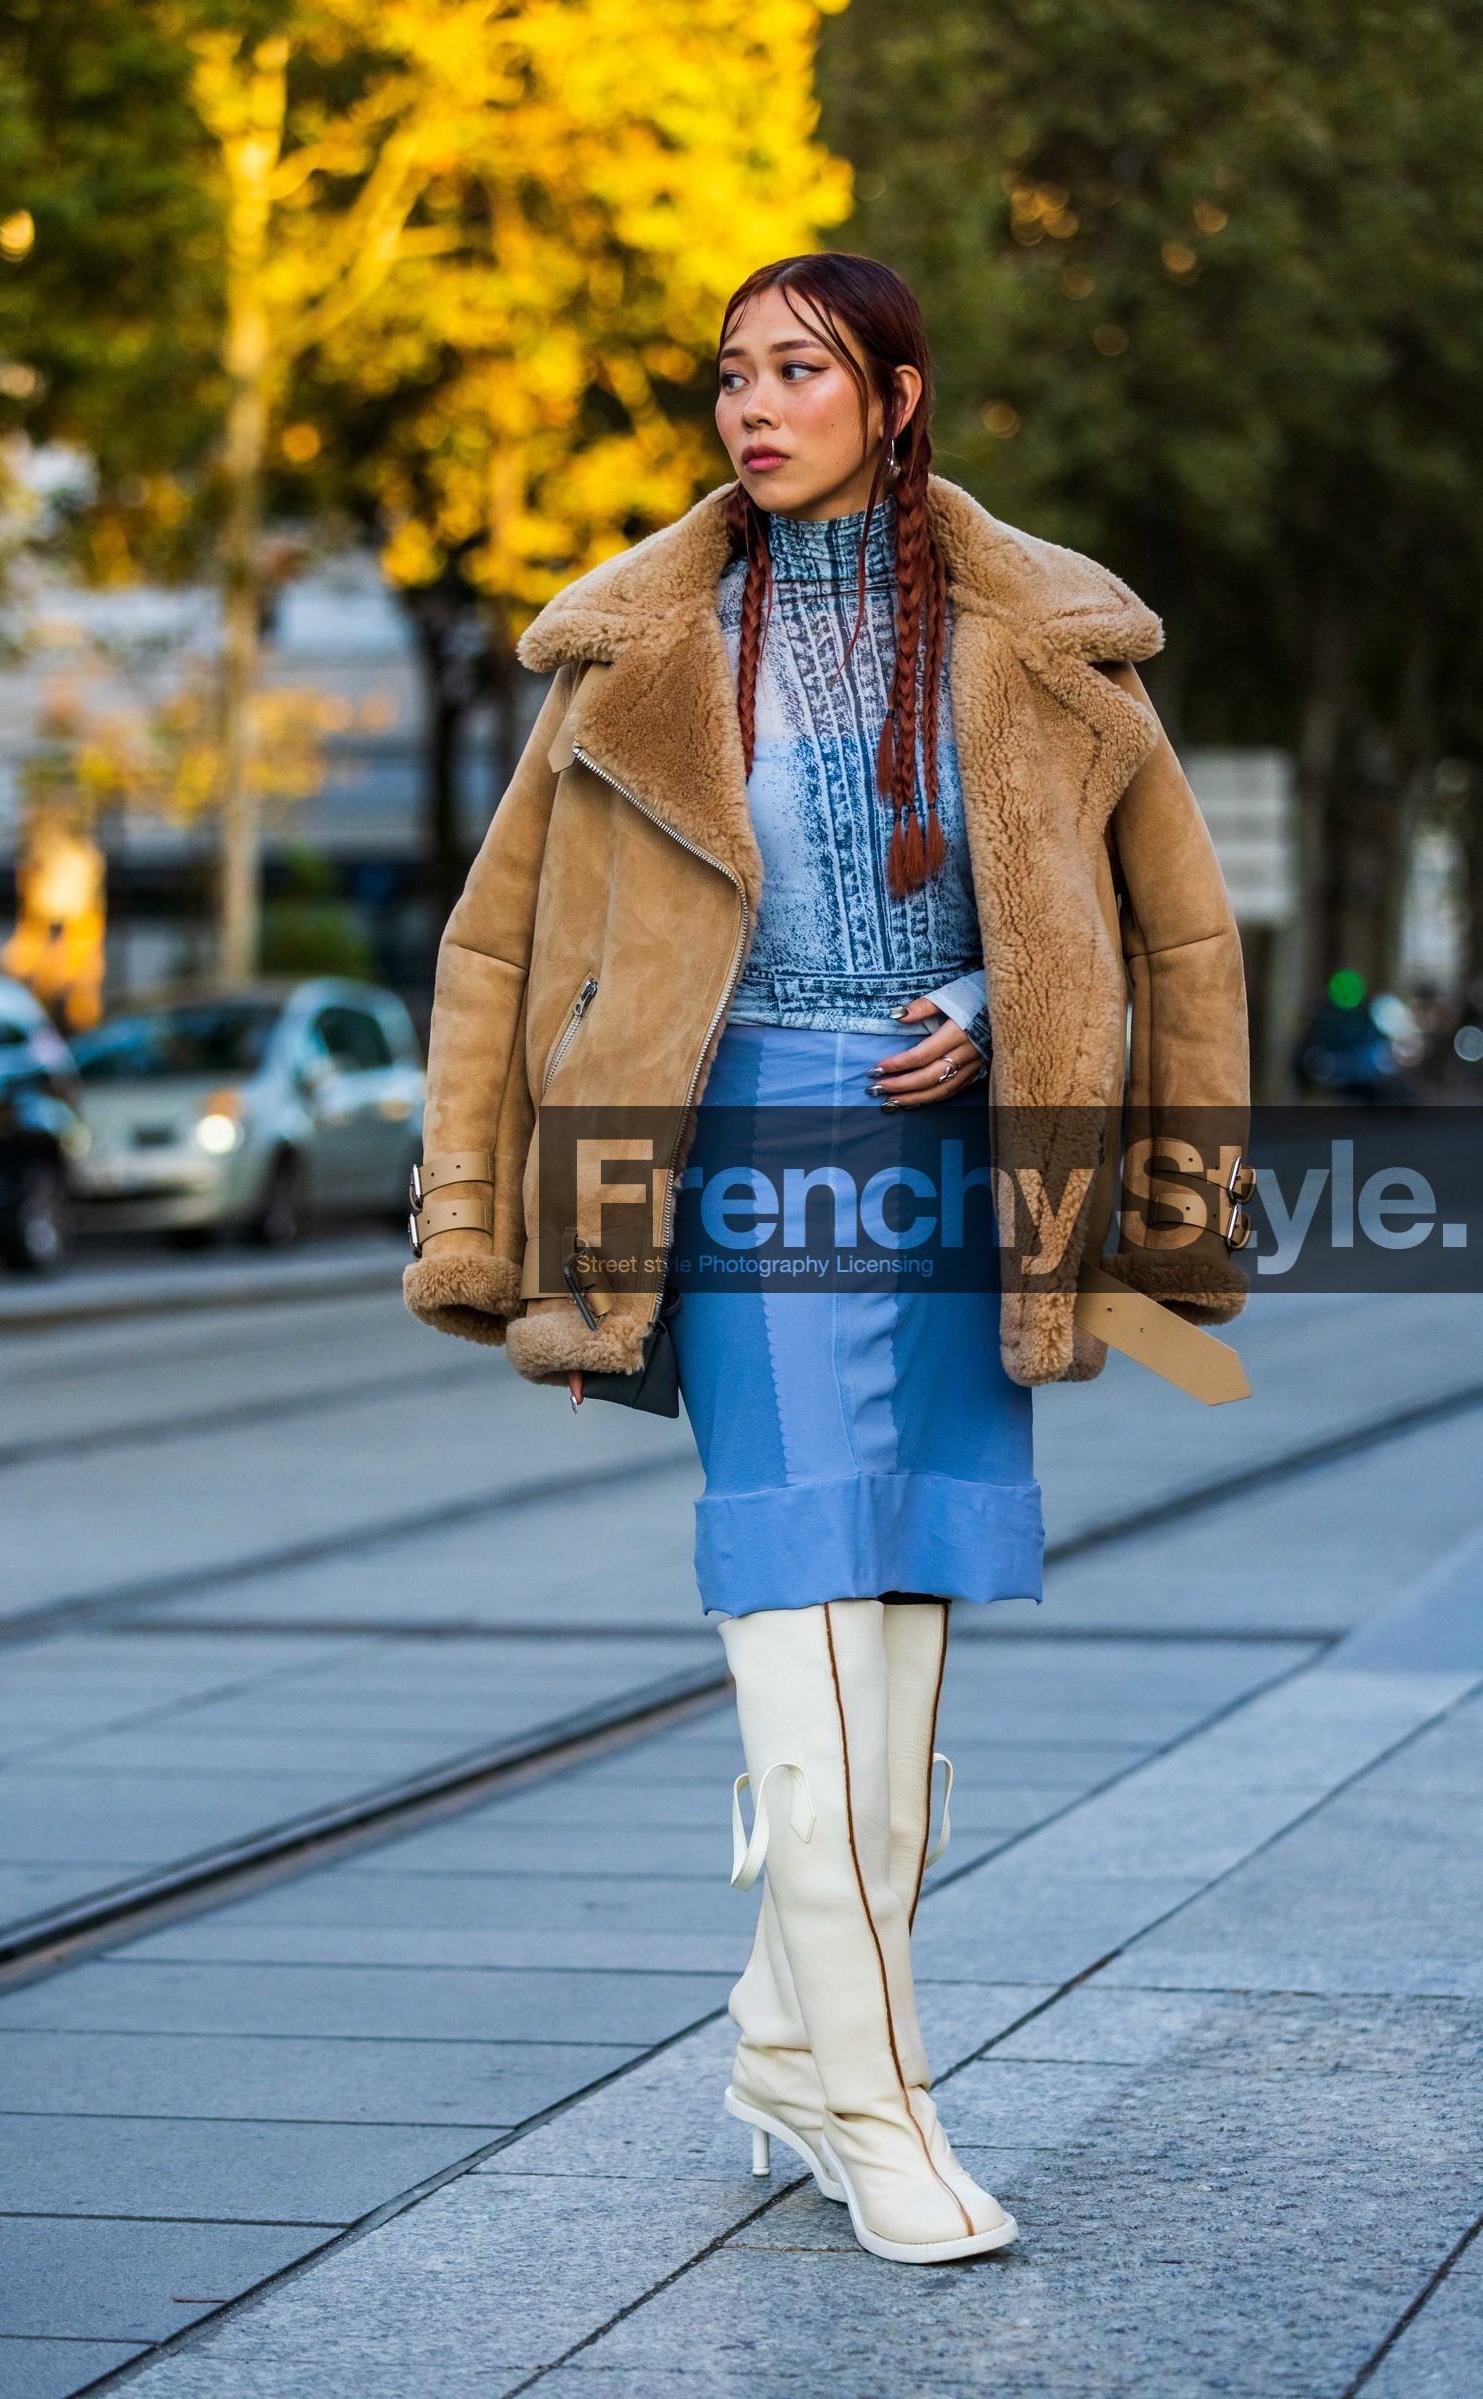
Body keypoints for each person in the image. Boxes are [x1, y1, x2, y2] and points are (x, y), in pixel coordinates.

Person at [405, 253, 1248, 2263]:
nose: (753, 405)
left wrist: (999, 1000)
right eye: (728, 374)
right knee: (794, 1619)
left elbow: (1172, 938)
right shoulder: (635, 648)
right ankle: (877, 2109)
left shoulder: (1051, 644)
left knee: (903, 1665)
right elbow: (492, 947)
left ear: (894, 391)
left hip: (960, 1167)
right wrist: (473, 1212)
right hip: (735, 1155)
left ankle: (787, 2048)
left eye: (798, 369)